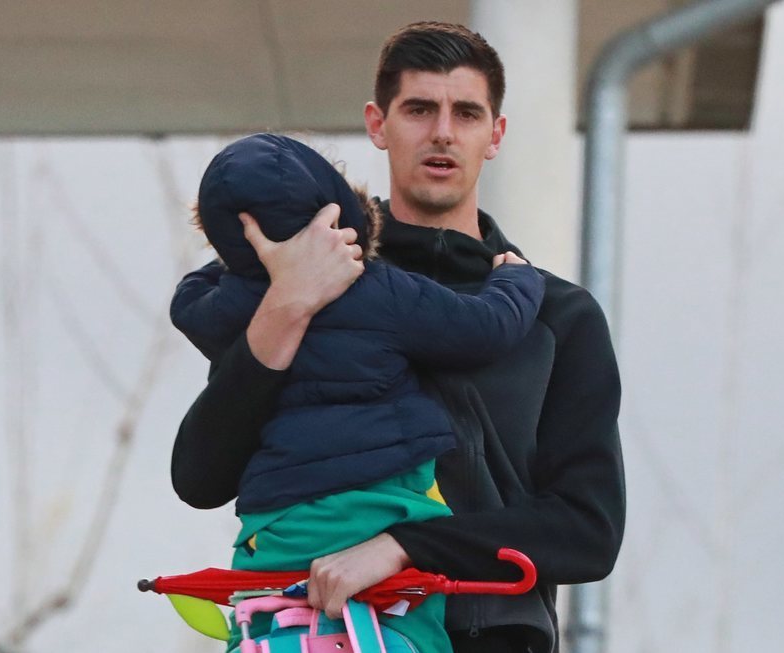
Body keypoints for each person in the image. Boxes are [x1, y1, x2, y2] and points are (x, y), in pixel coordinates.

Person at [171, 21, 625, 653]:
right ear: (378, 124)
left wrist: (403, 546)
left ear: (494, 135)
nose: (442, 131)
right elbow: (199, 477)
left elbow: (587, 530)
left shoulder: (558, 315)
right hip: (327, 634)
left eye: (466, 113)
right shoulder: (303, 285)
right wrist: (287, 308)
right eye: (419, 109)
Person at [171, 132, 545, 652]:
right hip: (378, 516)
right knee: (404, 626)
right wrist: (518, 280)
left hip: (276, 532)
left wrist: (260, 266)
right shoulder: (377, 289)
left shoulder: (227, 311)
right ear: (340, 210)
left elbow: (187, 299)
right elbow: (487, 327)